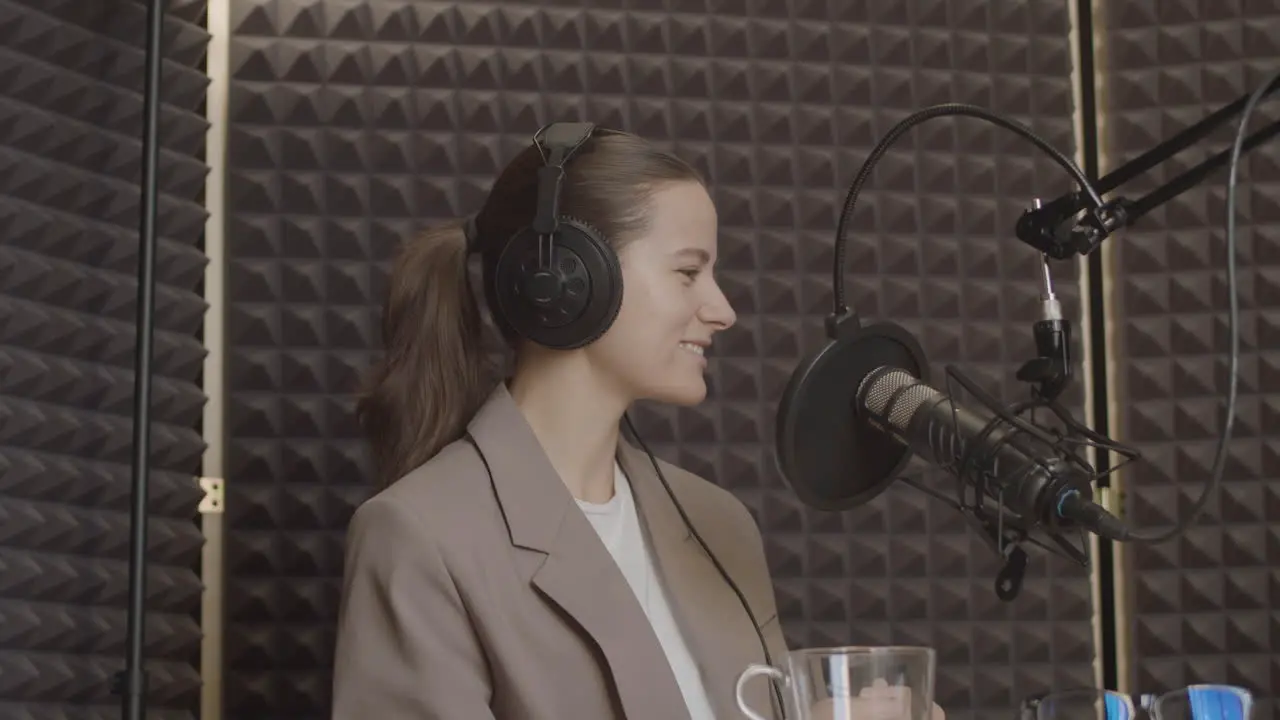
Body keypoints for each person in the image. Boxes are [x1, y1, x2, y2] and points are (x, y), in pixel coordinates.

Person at [330, 124, 791, 720]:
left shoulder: (718, 524)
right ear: (567, 280)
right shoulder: (419, 538)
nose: (722, 310)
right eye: (687, 272)